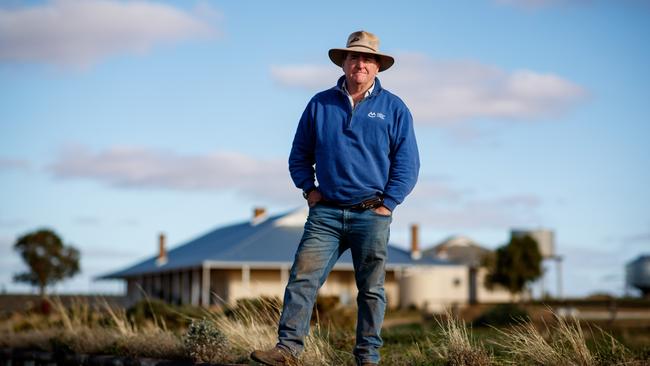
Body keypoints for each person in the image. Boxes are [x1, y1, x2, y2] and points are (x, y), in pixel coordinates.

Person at [251, 30, 420, 366]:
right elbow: (299, 155)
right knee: (303, 278)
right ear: (344, 63)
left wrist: (389, 203)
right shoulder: (319, 104)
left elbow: (408, 163)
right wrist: (309, 191)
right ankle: (287, 350)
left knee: (371, 290)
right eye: (354, 57)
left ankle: (367, 358)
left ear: (377, 67)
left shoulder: (394, 108)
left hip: (372, 214)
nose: (360, 63)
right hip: (325, 214)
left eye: (368, 59)